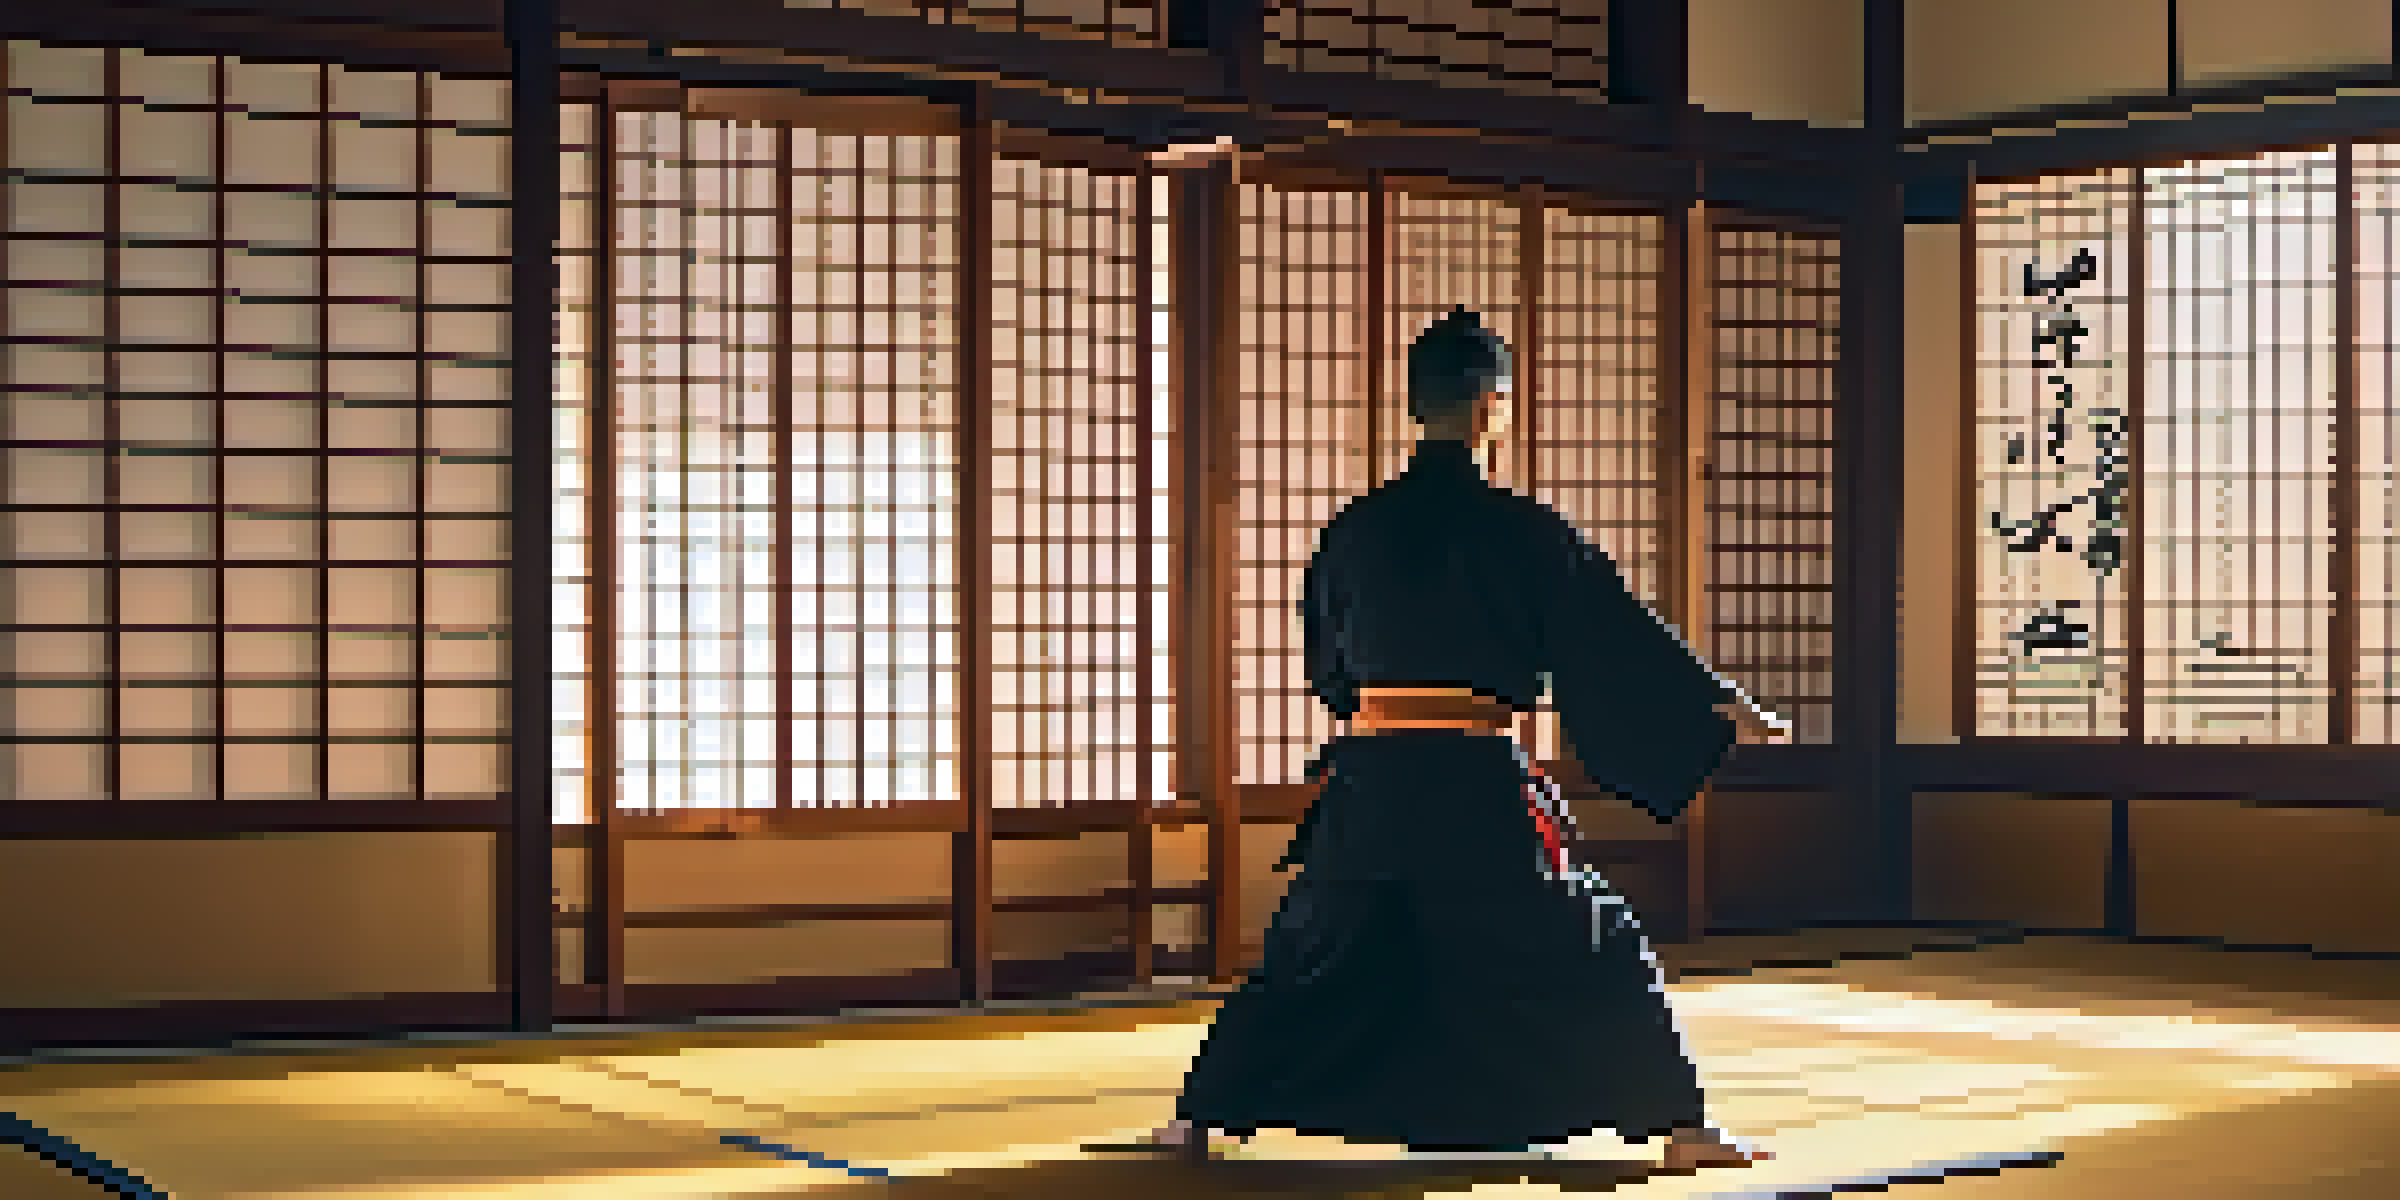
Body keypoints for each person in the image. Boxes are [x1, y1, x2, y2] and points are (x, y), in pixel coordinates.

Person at [1123, 306, 1779, 1169]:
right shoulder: (1524, 530)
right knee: (1594, 941)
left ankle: (1196, 1120)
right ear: (1491, 411)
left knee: (1314, 943)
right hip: (1477, 784)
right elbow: (1612, 633)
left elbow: (1328, 664)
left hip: (1375, 780)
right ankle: (1683, 1129)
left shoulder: (1355, 529)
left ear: (1418, 406)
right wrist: (1713, 704)